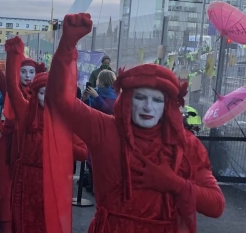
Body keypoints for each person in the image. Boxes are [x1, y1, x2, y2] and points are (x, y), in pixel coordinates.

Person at [44, 13, 224, 233]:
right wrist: (67, 45)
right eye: (140, 97)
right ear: (128, 100)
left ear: (167, 106)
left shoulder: (186, 145)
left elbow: (216, 205)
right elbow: (60, 99)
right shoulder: (105, 129)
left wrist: (173, 183)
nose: (148, 107)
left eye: (157, 100)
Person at [2, 36, 88, 233]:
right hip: (26, 180)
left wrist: (60, 143)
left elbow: (83, 153)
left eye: (51, 93)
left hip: (54, 182)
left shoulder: (65, 120)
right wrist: (12, 56)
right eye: (42, 93)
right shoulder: (26, 113)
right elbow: (12, 88)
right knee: (23, 224)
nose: (47, 97)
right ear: (35, 94)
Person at [0, 24, 47, 232]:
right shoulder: (11, 89)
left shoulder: (44, 95)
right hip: (10, 144)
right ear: (17, 73)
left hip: (30, 149)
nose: (28, 76)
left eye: (32, 72)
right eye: (24, 71)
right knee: (6, 186)